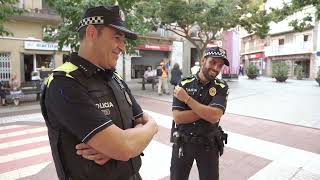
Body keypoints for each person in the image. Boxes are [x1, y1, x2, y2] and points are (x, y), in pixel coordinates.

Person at [40, 5, 158, 180]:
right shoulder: (64, 84)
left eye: (123, 40)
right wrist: (125, 143)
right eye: (117, 38)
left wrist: (115, 146)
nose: (123, 47)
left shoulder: (114, 78)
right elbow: (125, 147)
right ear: (91, 33)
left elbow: (140, 121)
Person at [171, 47, 230, 180]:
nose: (216, 68)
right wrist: (207, 111)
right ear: (203, 60)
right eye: (213, 62)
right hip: (183, 144)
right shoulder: (184, 84)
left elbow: (215, 116)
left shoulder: (221, 86)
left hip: (209, 145)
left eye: (220, 65)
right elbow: (178, 117)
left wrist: (187, 99)